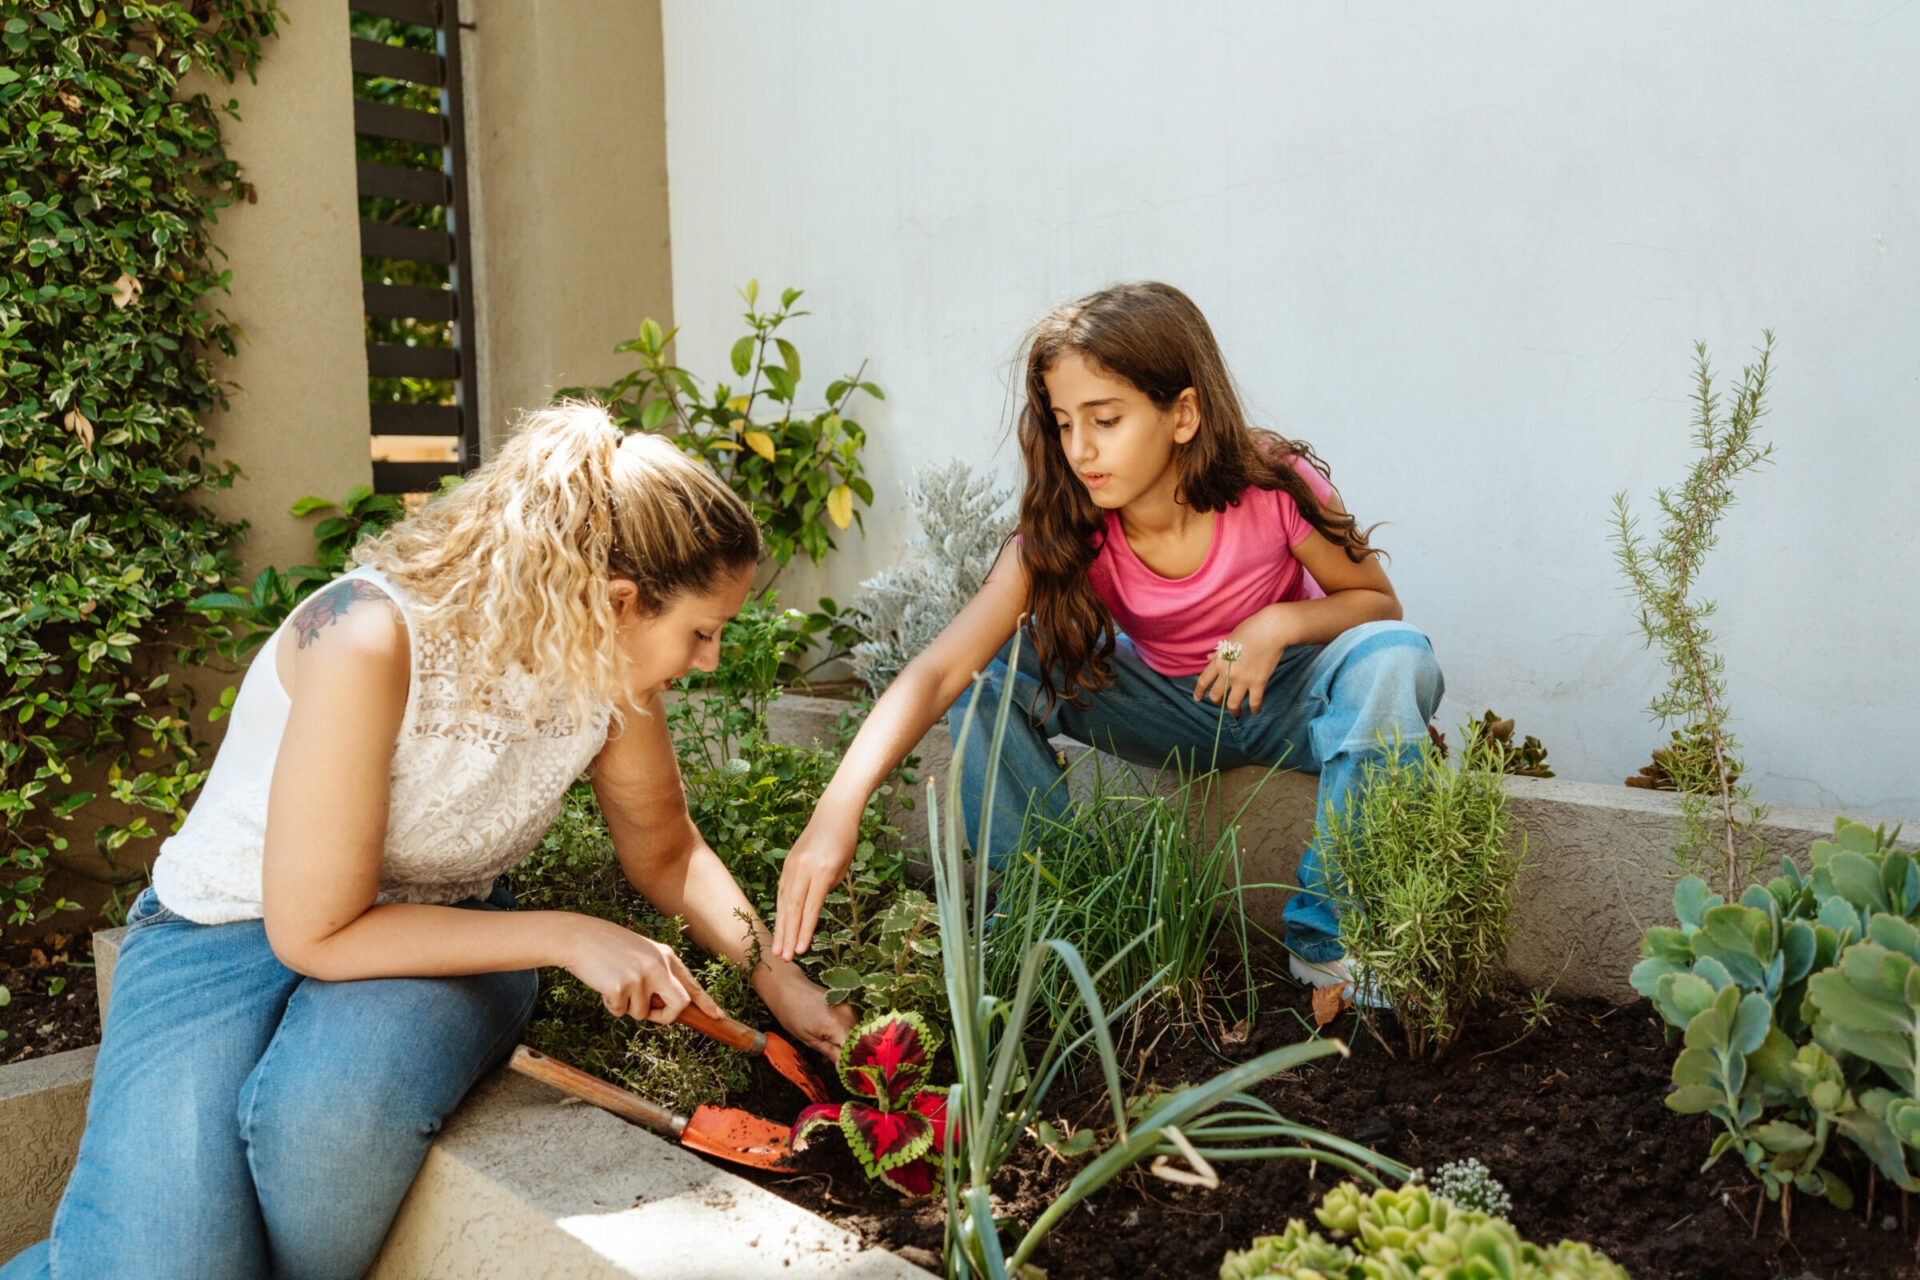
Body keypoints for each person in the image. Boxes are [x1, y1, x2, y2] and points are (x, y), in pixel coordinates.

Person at [3, 402, 854, 1280]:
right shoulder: (371, 638)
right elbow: (316, 932)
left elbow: (669, 855)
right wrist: (570, 935)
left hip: (437, 935)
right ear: (616, 602)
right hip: (218, 935)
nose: (709, 660)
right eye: (702, 633)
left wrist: (780, 982)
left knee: (326, 1129)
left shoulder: (611, 673)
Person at [771, 281, 1443, 998]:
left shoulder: (1271, 482)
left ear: (1182, 413)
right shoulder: (1072, 523)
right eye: (1063, 423)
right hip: (1164, 708)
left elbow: (1376, 602)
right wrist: (835, 810)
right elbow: (940, 670)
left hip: (1287, 700)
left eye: (1106, 419)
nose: (1081, 449)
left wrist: (1278, 623)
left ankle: (1334, 937)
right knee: (990, 669)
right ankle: (1044, 919)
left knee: (1395, 655)